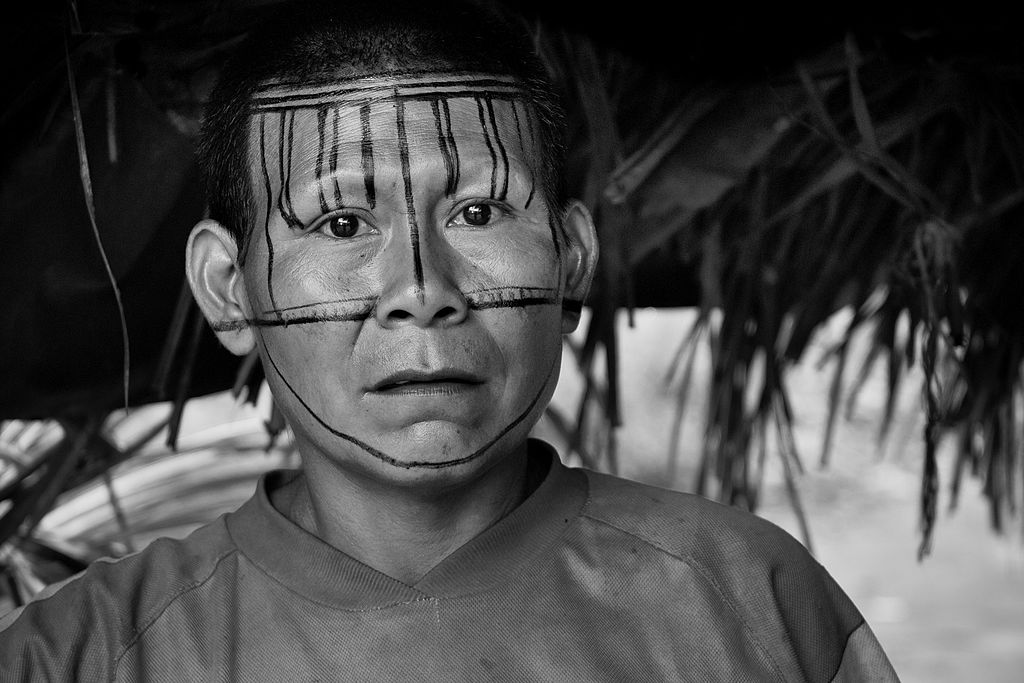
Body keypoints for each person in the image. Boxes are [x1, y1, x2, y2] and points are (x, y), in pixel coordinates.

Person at [0, 0, 900, 679]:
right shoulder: (73, 657)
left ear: (574, 258)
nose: (422, 292)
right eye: (343, 221)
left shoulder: (757, 608)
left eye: (478, 209)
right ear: (229, 290)